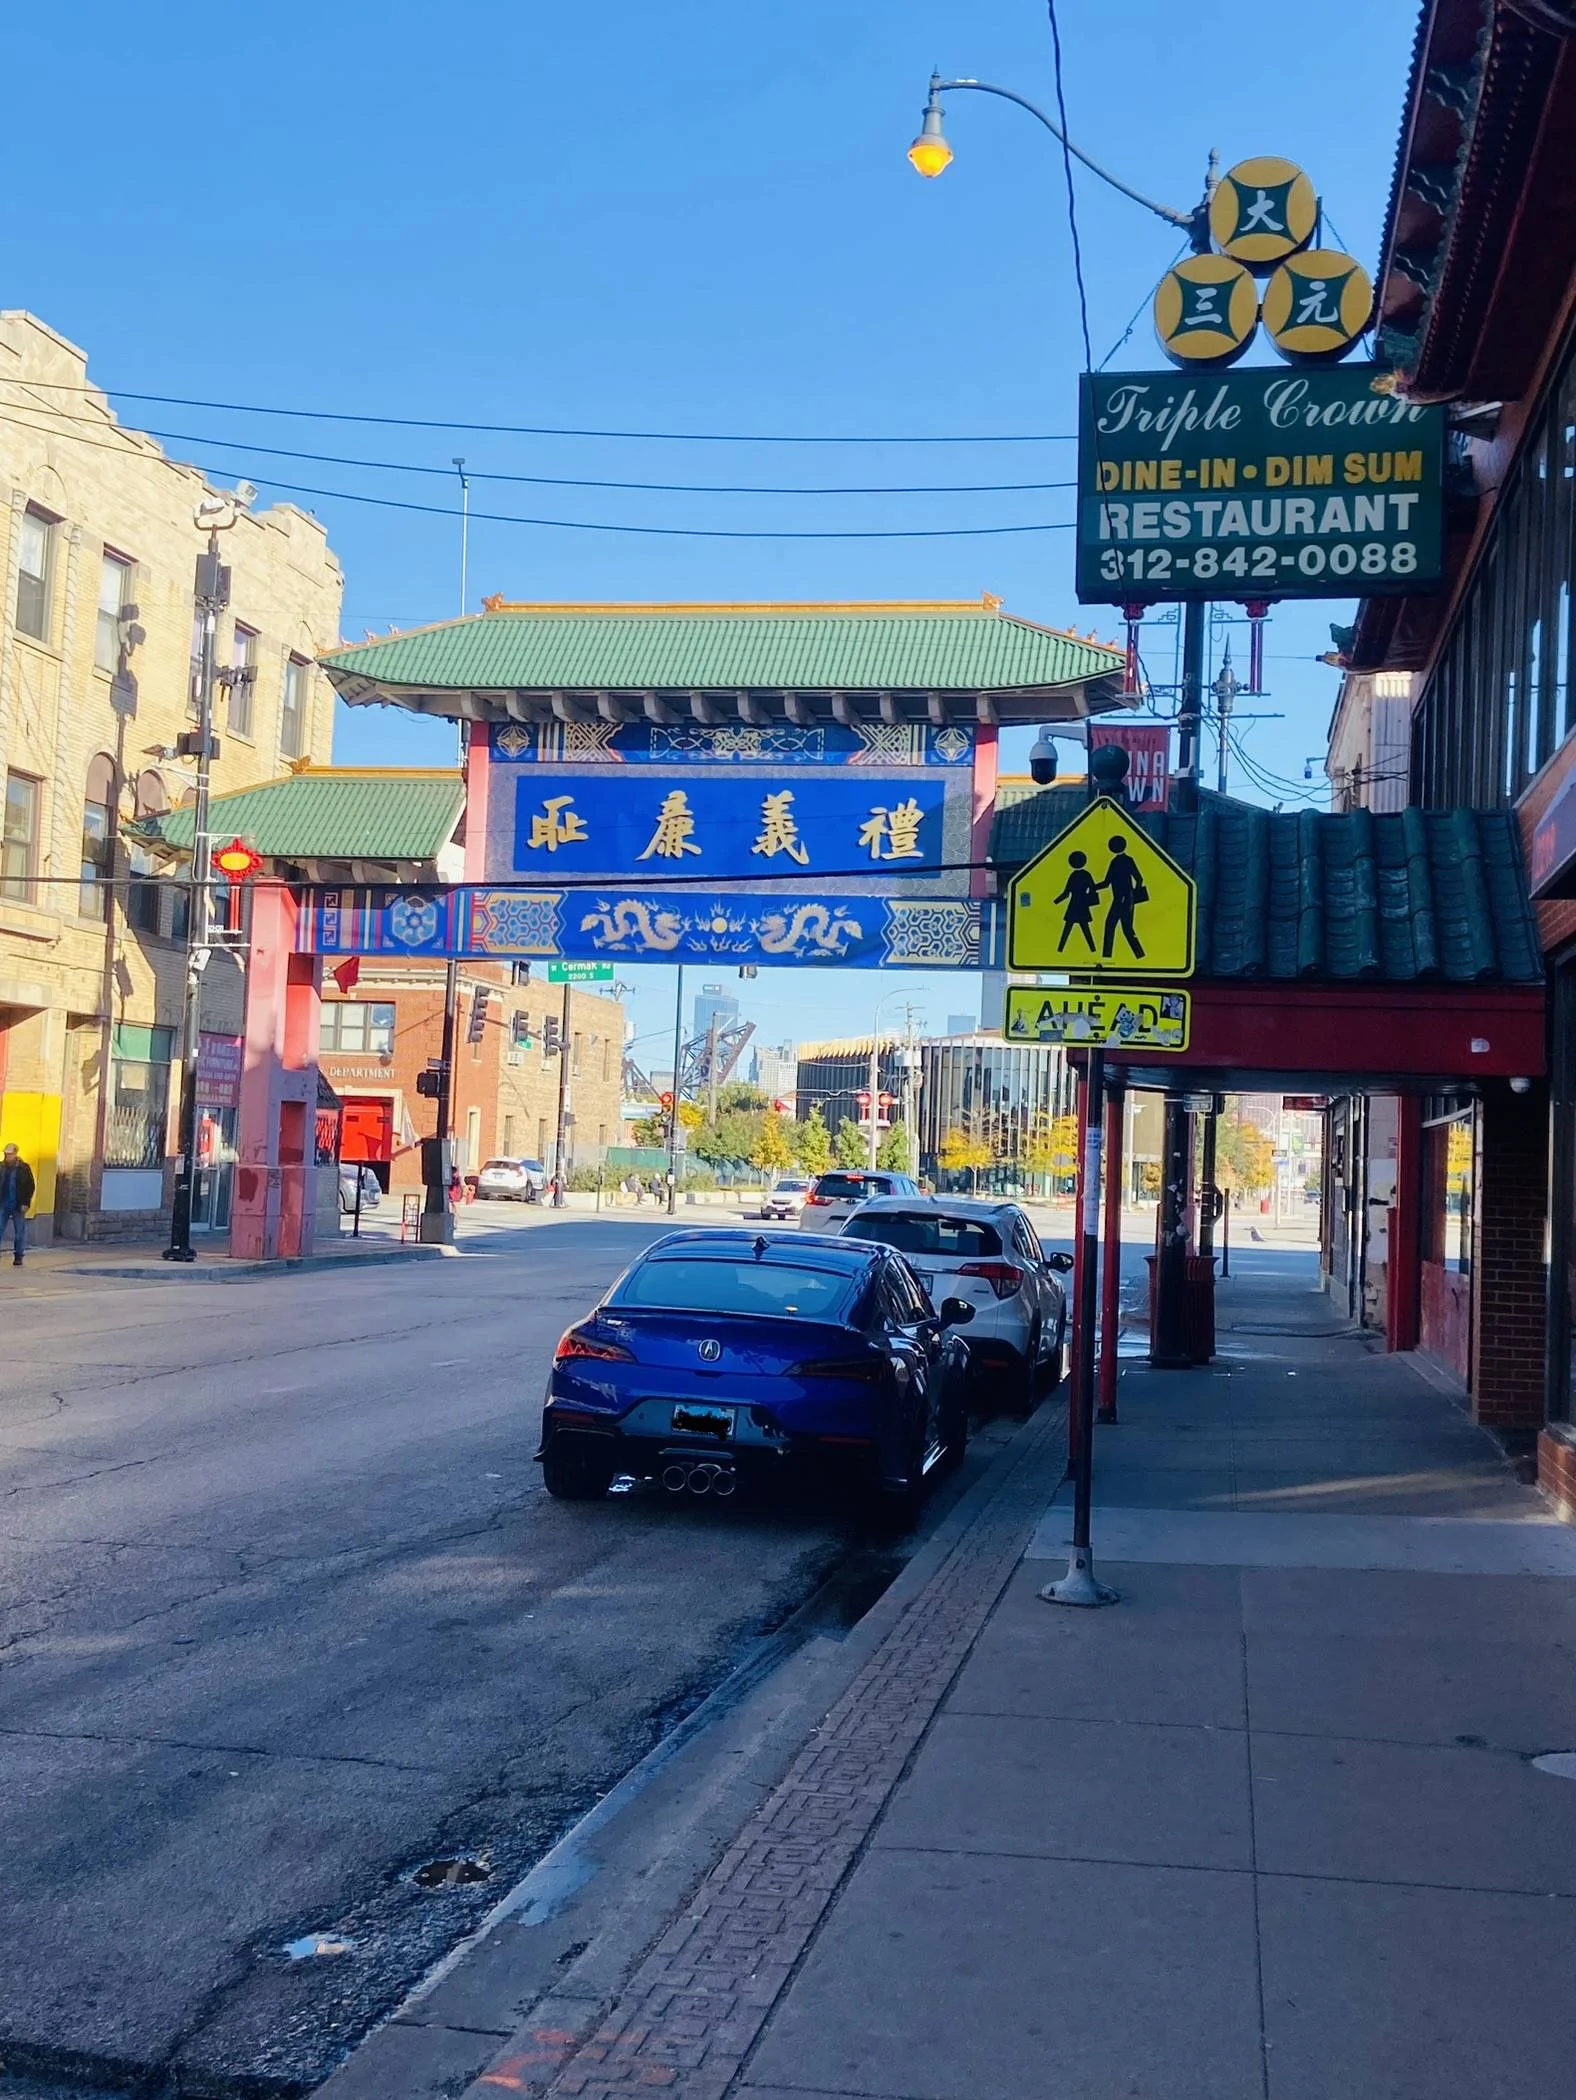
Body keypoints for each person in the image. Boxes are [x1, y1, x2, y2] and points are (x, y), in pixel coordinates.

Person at [0, 1142, 35, 1266]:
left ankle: (18, 1255)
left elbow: (30, 1186)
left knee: (19, 1231)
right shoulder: (1, 1167)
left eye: (10, 1154)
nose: (7, 1156)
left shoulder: (24, 1168)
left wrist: (26, 1202)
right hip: (3, 1203)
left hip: (18, 1204)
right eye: (6, 1154)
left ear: (15, 1154)